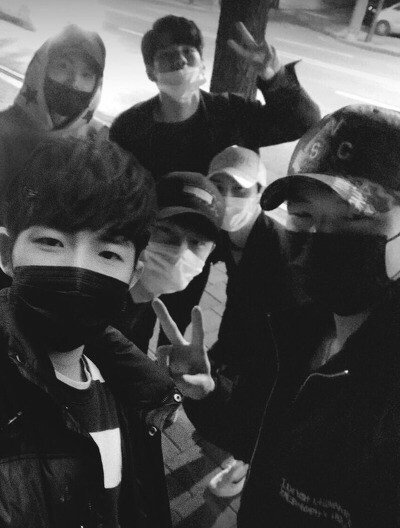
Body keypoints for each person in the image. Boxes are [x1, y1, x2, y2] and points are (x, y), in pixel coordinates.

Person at [154, 104, 400, 527]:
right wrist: (207, 394)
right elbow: (257, 436)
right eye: (303, 216)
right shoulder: (295, 330)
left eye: (355, 219)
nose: (321, 238)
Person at [109, 13, 321, 353]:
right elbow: (114, 194)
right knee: (129, 329)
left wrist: (273, 75)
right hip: (147, 250)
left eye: (188, 52)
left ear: (201, 62)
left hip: (199, 249)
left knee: (177, 328)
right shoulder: (130, 128)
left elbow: (302, 121)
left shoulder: (228, 114)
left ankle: (168, 376)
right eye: (167, 56)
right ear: (151, 71)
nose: (180, 61)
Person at [0, 137, 182, 528]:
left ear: (133, 274)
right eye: (51, 242)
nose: (78, 269)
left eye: (108, 253)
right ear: (5, 253)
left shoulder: (130, 390)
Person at [0, 24, 107, 288]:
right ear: (41, 68)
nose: (73, 82)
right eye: (63, 67)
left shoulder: (99, 142)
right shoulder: (3, 130)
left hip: (58, 278)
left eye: (86, 74)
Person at [114, 171, 224, 352]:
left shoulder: (141, 299)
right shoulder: (101, 301)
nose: (179, 252)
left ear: (210, 251)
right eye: (166, 231)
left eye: (196, 242)